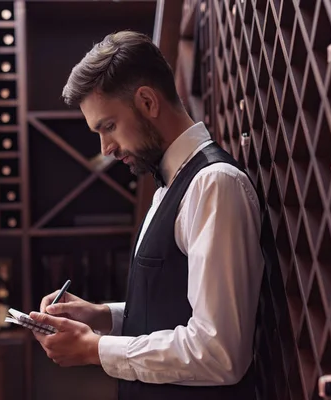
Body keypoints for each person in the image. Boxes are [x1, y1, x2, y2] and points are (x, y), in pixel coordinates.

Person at [30, 30, 265, 400]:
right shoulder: (168, 185)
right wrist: (103, 316)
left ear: (147, 102)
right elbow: (172, 309)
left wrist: (95, 349)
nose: (105, 148)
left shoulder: (214, 185)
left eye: (108, 126)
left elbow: (219, 352)